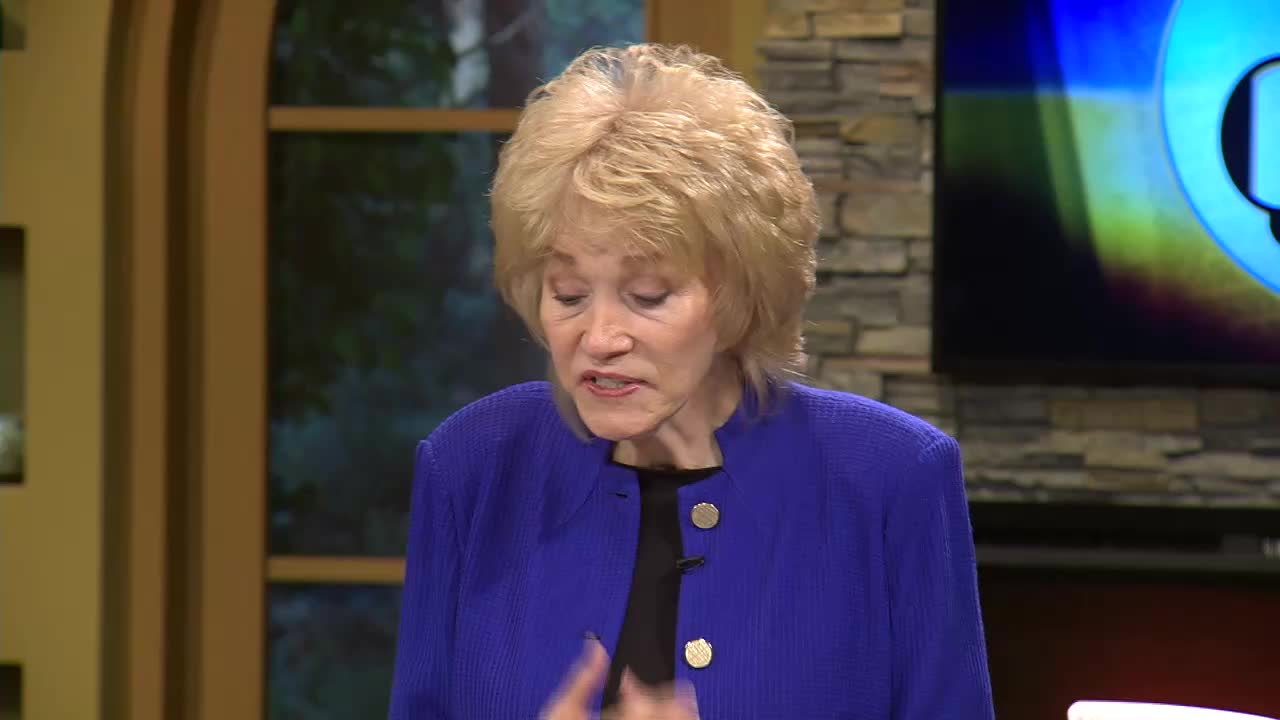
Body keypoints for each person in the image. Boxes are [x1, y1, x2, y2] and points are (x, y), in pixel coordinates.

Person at [389, 43, 994, 720]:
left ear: (737, 296)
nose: (599, 339)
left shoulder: (891, 480)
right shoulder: (473, 467)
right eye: (567, 295)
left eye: (647, 295)